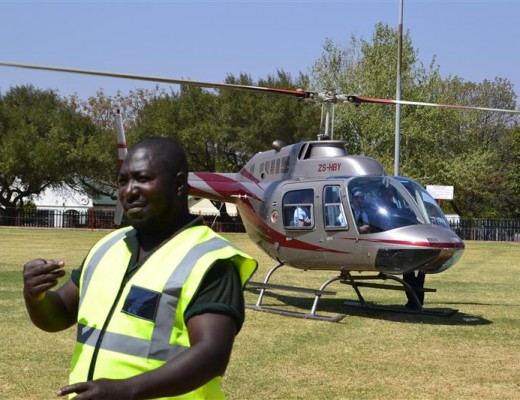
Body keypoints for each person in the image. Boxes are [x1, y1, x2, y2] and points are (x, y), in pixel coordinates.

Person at [22, 137, 257, 399]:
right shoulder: (107, 246)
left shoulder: (210, 259)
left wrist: (127, 390)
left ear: (179, 184)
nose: (129, 191)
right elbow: (61, 314)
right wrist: (35, 296)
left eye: (142, 179)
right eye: (123, 181)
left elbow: (212, 354)